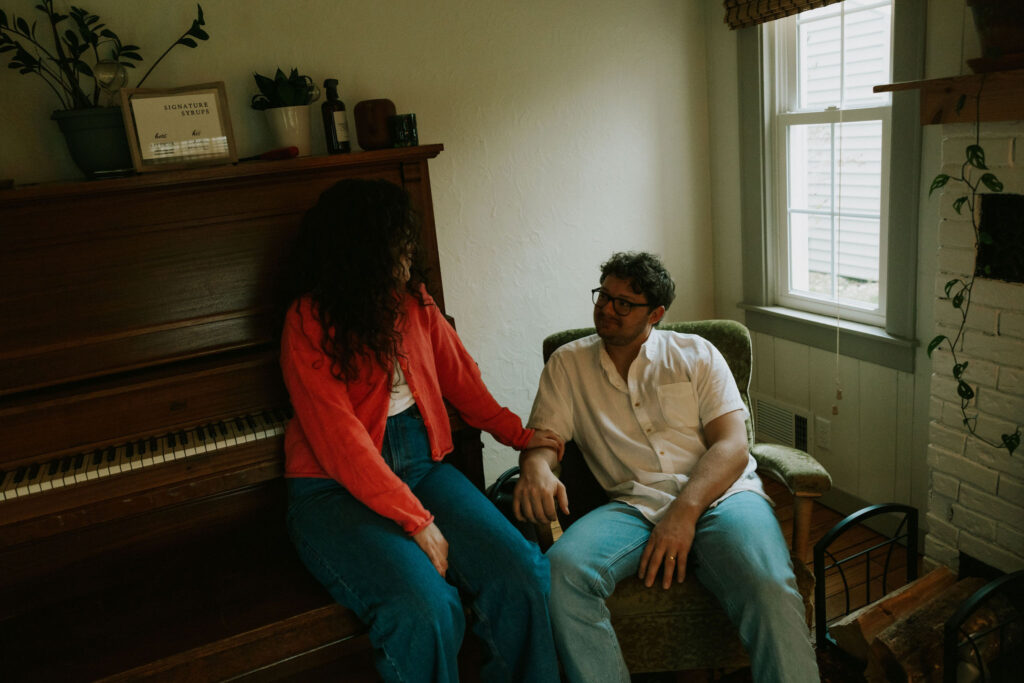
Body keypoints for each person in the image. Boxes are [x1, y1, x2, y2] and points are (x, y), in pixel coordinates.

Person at [279, 178, 562, 683]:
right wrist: (416, 520)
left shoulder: (415, 304)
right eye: (398, 240)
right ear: (363, 248)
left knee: (523, 574)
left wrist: (520, 435)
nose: (409, 251)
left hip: (422, 467)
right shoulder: (307, 319)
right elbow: (341, 442)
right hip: (333, 491)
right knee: (425, 610)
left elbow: (464, 383)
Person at [513, 251, 819, 683]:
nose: (606, 309)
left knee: (768, 585)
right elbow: (544, 440)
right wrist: (537, 467)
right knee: (562, 573)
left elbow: (732, 445)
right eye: (604, 295)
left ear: (655, 314)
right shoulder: (567, 364)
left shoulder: (697, 354)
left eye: (624, 303)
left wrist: (685, 511)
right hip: (633, 505)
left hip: (723, 496)